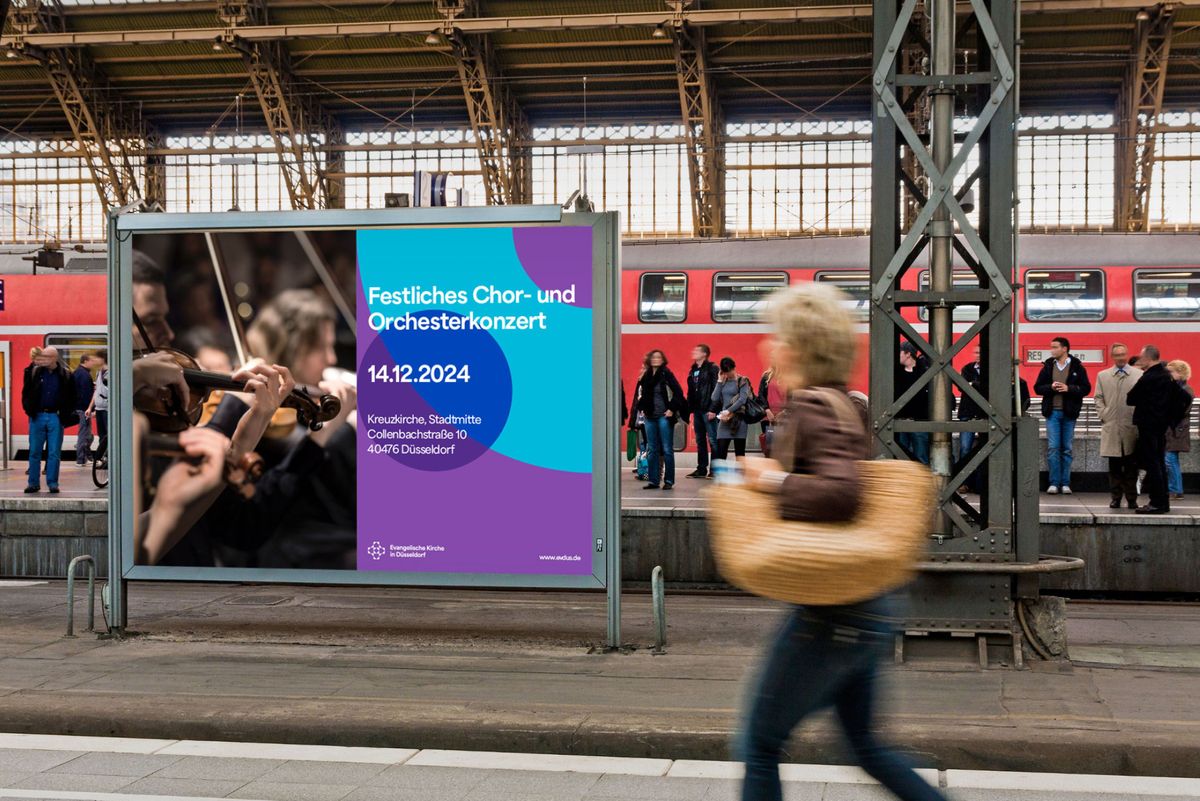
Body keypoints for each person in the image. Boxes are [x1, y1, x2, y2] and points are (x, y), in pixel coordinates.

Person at [739, 282, 948, 801]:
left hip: (831, 612)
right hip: (867, 600)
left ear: (800, 348)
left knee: (760, 743)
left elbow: (840, 493)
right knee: (866, 748)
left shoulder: (810, 405)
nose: (771, 347)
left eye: (779, 338)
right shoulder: (844, 402)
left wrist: (770, 480)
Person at [1127, 345, 1190, 515]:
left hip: (1148, 425)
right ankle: (1163, 503)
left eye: (1141, 357)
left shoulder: (1149, 377)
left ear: (1148, 358)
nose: (1140, 360)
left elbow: (1130, 398)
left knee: (1152, 464)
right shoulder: (1166, 375)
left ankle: (1156, 503)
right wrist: (1172, 418)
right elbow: (1185, 397)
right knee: (1160, 463)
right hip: (1161, 426)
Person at [1034, 337, 1091, 495]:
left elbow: (1086, 388)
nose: (1051, 350)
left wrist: (1069, 388)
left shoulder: (1077, 367)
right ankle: (1054, 482)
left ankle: (1065, 483)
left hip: (1069, 413)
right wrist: (1051, 387)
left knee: (1066, 448)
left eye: (1055, 347)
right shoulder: (1048, 367)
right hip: (1052, 413)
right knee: (1053, 448)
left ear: (1064, 349)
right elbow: (1038, 388)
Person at [21, 347, 77, 494]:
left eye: (46, 356)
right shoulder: (34, 372)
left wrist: (65, 414)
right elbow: (25, 392)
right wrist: (28, 409)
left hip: (56, 416)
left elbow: (72, 396)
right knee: (34, 451)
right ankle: (33, 483)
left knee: (54, 452)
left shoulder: (65, 375)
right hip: (37, 415)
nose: (43, 359)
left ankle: (53, 483)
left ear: (54, 358)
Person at [1094, 343, 1142, 509]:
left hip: (1131, 426)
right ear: (1112, 357)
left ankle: (1131, 499)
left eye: (1123, 354)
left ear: (1127, 354)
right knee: (1114, 466)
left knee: (1131, 466)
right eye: (1117, 355)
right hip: (1112, 426)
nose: (1121, 357)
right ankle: (1115, 497)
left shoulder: (1139, 374)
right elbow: (1098, 397)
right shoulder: (1103, 375)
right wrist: (1104, 414)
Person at [631, 349, 686, 490]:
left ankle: (669, 481)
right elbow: (642, 394)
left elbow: (678, 392)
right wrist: (641, 407)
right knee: (652, 449)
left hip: (663, 416)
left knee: (667, 449)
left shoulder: (666, 373)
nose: (656, 359)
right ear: (650, 359)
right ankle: (654, 481)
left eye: (659, 357)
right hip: (649, 417)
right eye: (653, 357)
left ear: (663, 360)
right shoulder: (646, 375)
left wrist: (671, 409)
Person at [686, 344, 720, 478]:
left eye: (697, 350)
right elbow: (690, 392)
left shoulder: (712, 368)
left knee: (713, 440)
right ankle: (701, 469)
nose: (693, 351)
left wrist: (713, 409)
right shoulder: (693, 370)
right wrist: (689, 411)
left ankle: (715, 470)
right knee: (700, 440)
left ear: (704, 354)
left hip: (708, 410)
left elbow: (717, 390)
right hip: (697, 410)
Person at [710, 356, 753, 462]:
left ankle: (740, 476)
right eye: (726, 372)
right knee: (721, 453)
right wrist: (719, 381)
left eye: (730, 371)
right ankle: (721, 477)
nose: (728, 374)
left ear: (734, 367)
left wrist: (728, 411)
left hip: (739, 420)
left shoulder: (743, 381)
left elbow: (742, 400)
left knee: (739, 454)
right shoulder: (723, 382)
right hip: (724, 421)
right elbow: (714, 398)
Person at [895, 342, 930, 465]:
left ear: (908, 354)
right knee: (901, 459)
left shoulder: (924, 371)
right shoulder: (896, 372)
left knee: (921, 457)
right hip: (901, 421)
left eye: (900, 352)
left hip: (919, 422)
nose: (897, 355)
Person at [1165, 359, 1194, 501]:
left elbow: (1179, 410)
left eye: (1171, 372)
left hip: (1177, 430)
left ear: (1180, 373)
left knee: (1170, 459)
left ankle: (1175, 490)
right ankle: (1174, 489)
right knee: (1170, 459)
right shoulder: (1177, 388)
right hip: (1174, 429)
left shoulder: (1185, 391)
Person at [956, 346, 984, 493]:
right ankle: (963, 482)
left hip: (983, 414)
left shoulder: (990, 370)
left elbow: (986, 387)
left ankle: (979, 483)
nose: (977, 355)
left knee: (982, 448)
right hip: (968, 413)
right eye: (976, 353)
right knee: (965, 449)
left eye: (979, 353)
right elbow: (963, 387)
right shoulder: (967, 368)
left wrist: (973, 384)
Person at [757, 363, 787, 457]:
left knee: (783, 450)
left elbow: (793, 396)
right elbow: (761, 395)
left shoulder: (790, 377)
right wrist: (767, 410)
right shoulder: (766, 376)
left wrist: (784, 412)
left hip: (785, 417)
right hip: (768, 417)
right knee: (770, 449)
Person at [72, 353, 96, 466]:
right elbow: (85, 394)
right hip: (83, 409)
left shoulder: (78, 372)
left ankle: (86, 455)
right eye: (91, 360)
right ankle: (81, 459)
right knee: (84, 434)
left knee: (88, 434)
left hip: (80, 407)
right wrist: (90, 409)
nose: (93, 363)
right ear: (85, 361)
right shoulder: (84, 375)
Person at [86, 349, 109, 458]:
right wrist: (91, 408)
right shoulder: (99, 372)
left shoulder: (109, 372)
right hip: (100, 409)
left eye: (97, 357)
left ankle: (108, 459)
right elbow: (97, 392)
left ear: (103, 358)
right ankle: (104, 459)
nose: (94, 360)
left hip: (107, 409)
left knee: (107, 436)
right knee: (102, 436)